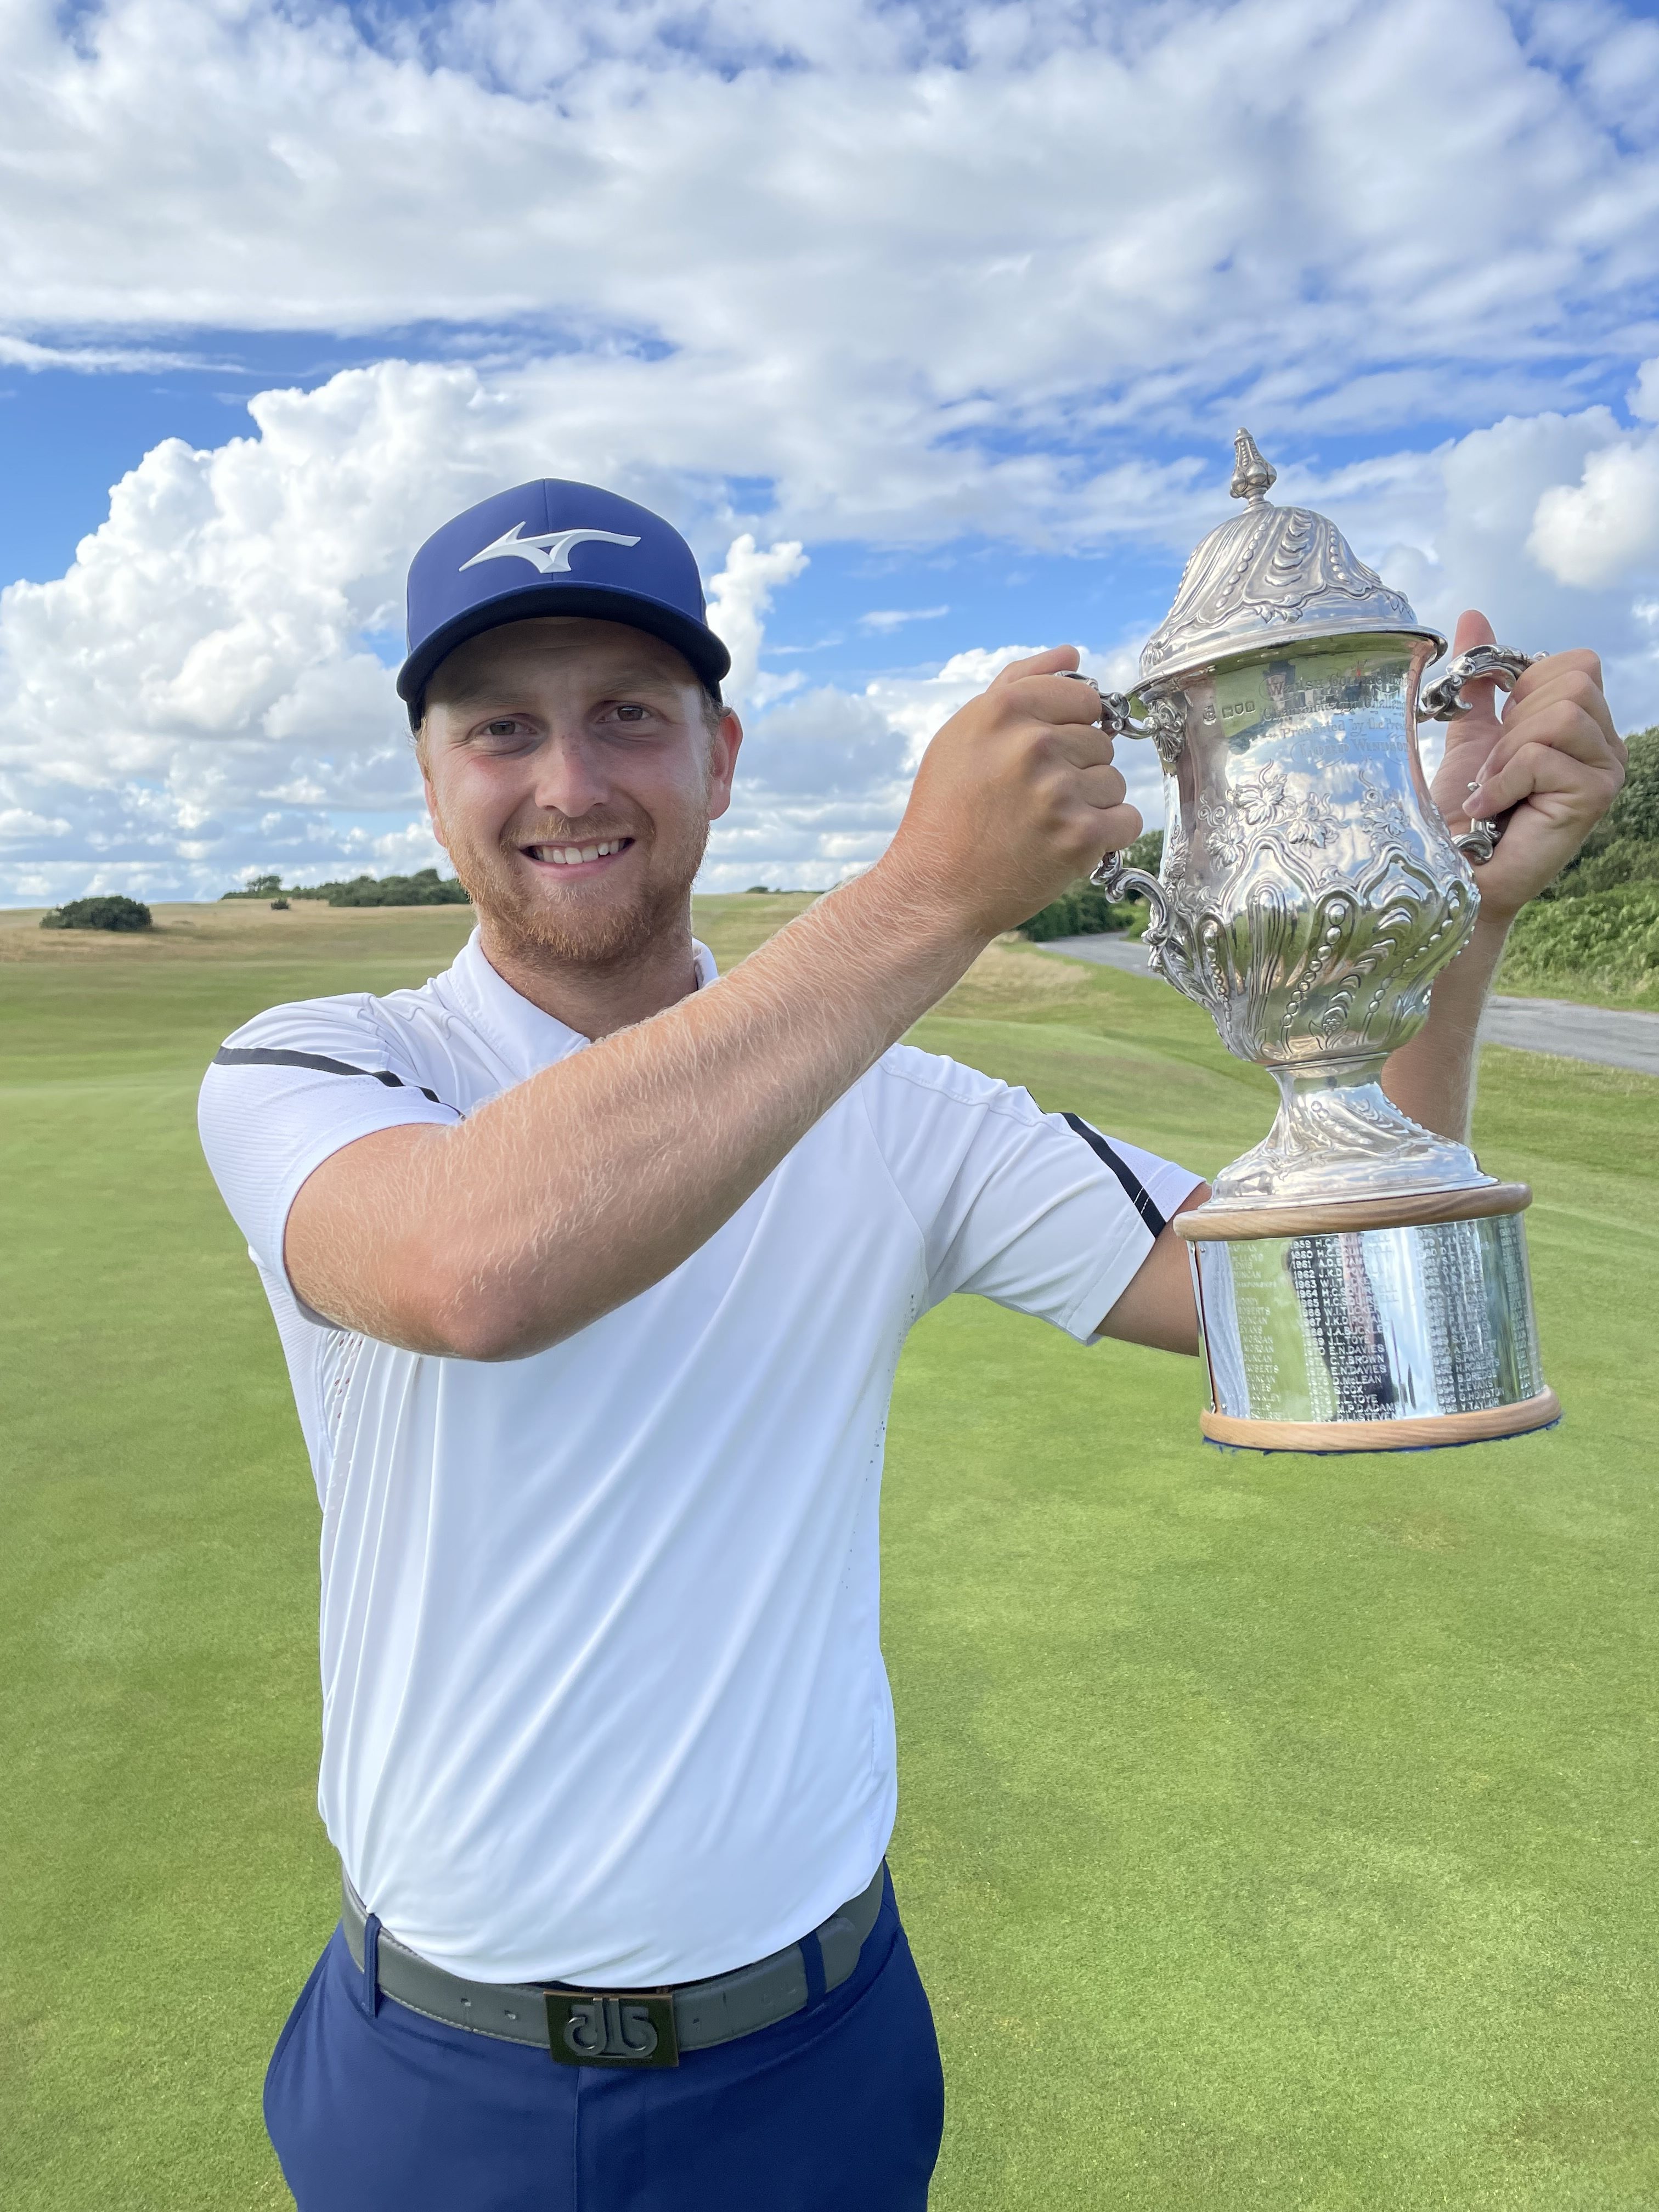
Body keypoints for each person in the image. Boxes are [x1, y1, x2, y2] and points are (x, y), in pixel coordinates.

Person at [198, 477, 1624, 2211]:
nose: (570, 782)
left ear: (720, 757)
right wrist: (930, 896)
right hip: (443, 2082)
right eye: (503, 728)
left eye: (629, 718)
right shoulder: (320, 1066)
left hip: (821, 2054)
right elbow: (471, 1271)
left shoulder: (904, 1112)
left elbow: (1343, 1322)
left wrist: (1443, 911)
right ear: (432, 782)